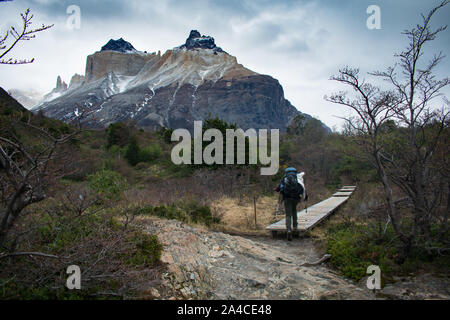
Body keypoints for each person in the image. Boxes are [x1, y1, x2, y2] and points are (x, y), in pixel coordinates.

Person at [278, 167, 304, 241]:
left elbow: (280, 188)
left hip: (287, 199)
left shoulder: (284, 179)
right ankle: (295, 227)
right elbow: (301, 188)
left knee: (288, 214)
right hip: (295, 199)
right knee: (294, 211)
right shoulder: (297, 179)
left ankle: (289, 229)